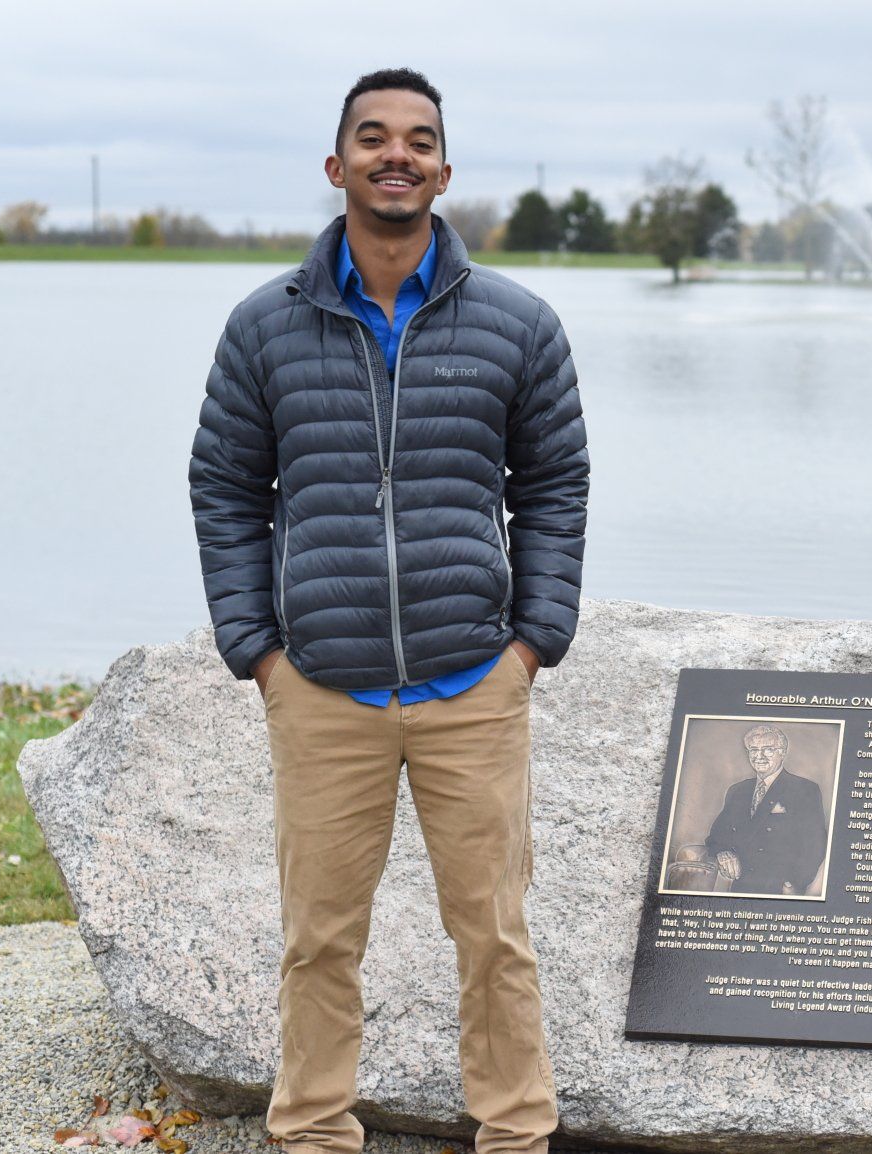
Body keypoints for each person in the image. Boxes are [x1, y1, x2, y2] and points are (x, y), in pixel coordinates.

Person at [188, 67, 587, 1154]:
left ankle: (514, 1134)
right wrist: (258, 650)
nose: (395, 153)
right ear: (338, 166)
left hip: (473, 681)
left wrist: (532, 642)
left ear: (445, 171)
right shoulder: (264, 327)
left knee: (496, 937)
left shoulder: (518, 322)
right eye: (373, 137)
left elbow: (553, 484)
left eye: (418, 139)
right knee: (319, 941)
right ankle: (314, 1131)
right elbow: (226, 488)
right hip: (322, 685)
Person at [704, 725, 826, 895]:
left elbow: (815, 843)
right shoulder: (737, 790)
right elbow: (717, 836)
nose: (759, 756)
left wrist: (794, 883)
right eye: (753, 749)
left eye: (768, 749)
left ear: (782, 752)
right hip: (741, 886)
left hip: (780, 889)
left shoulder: (804, 789)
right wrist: (723, 852)